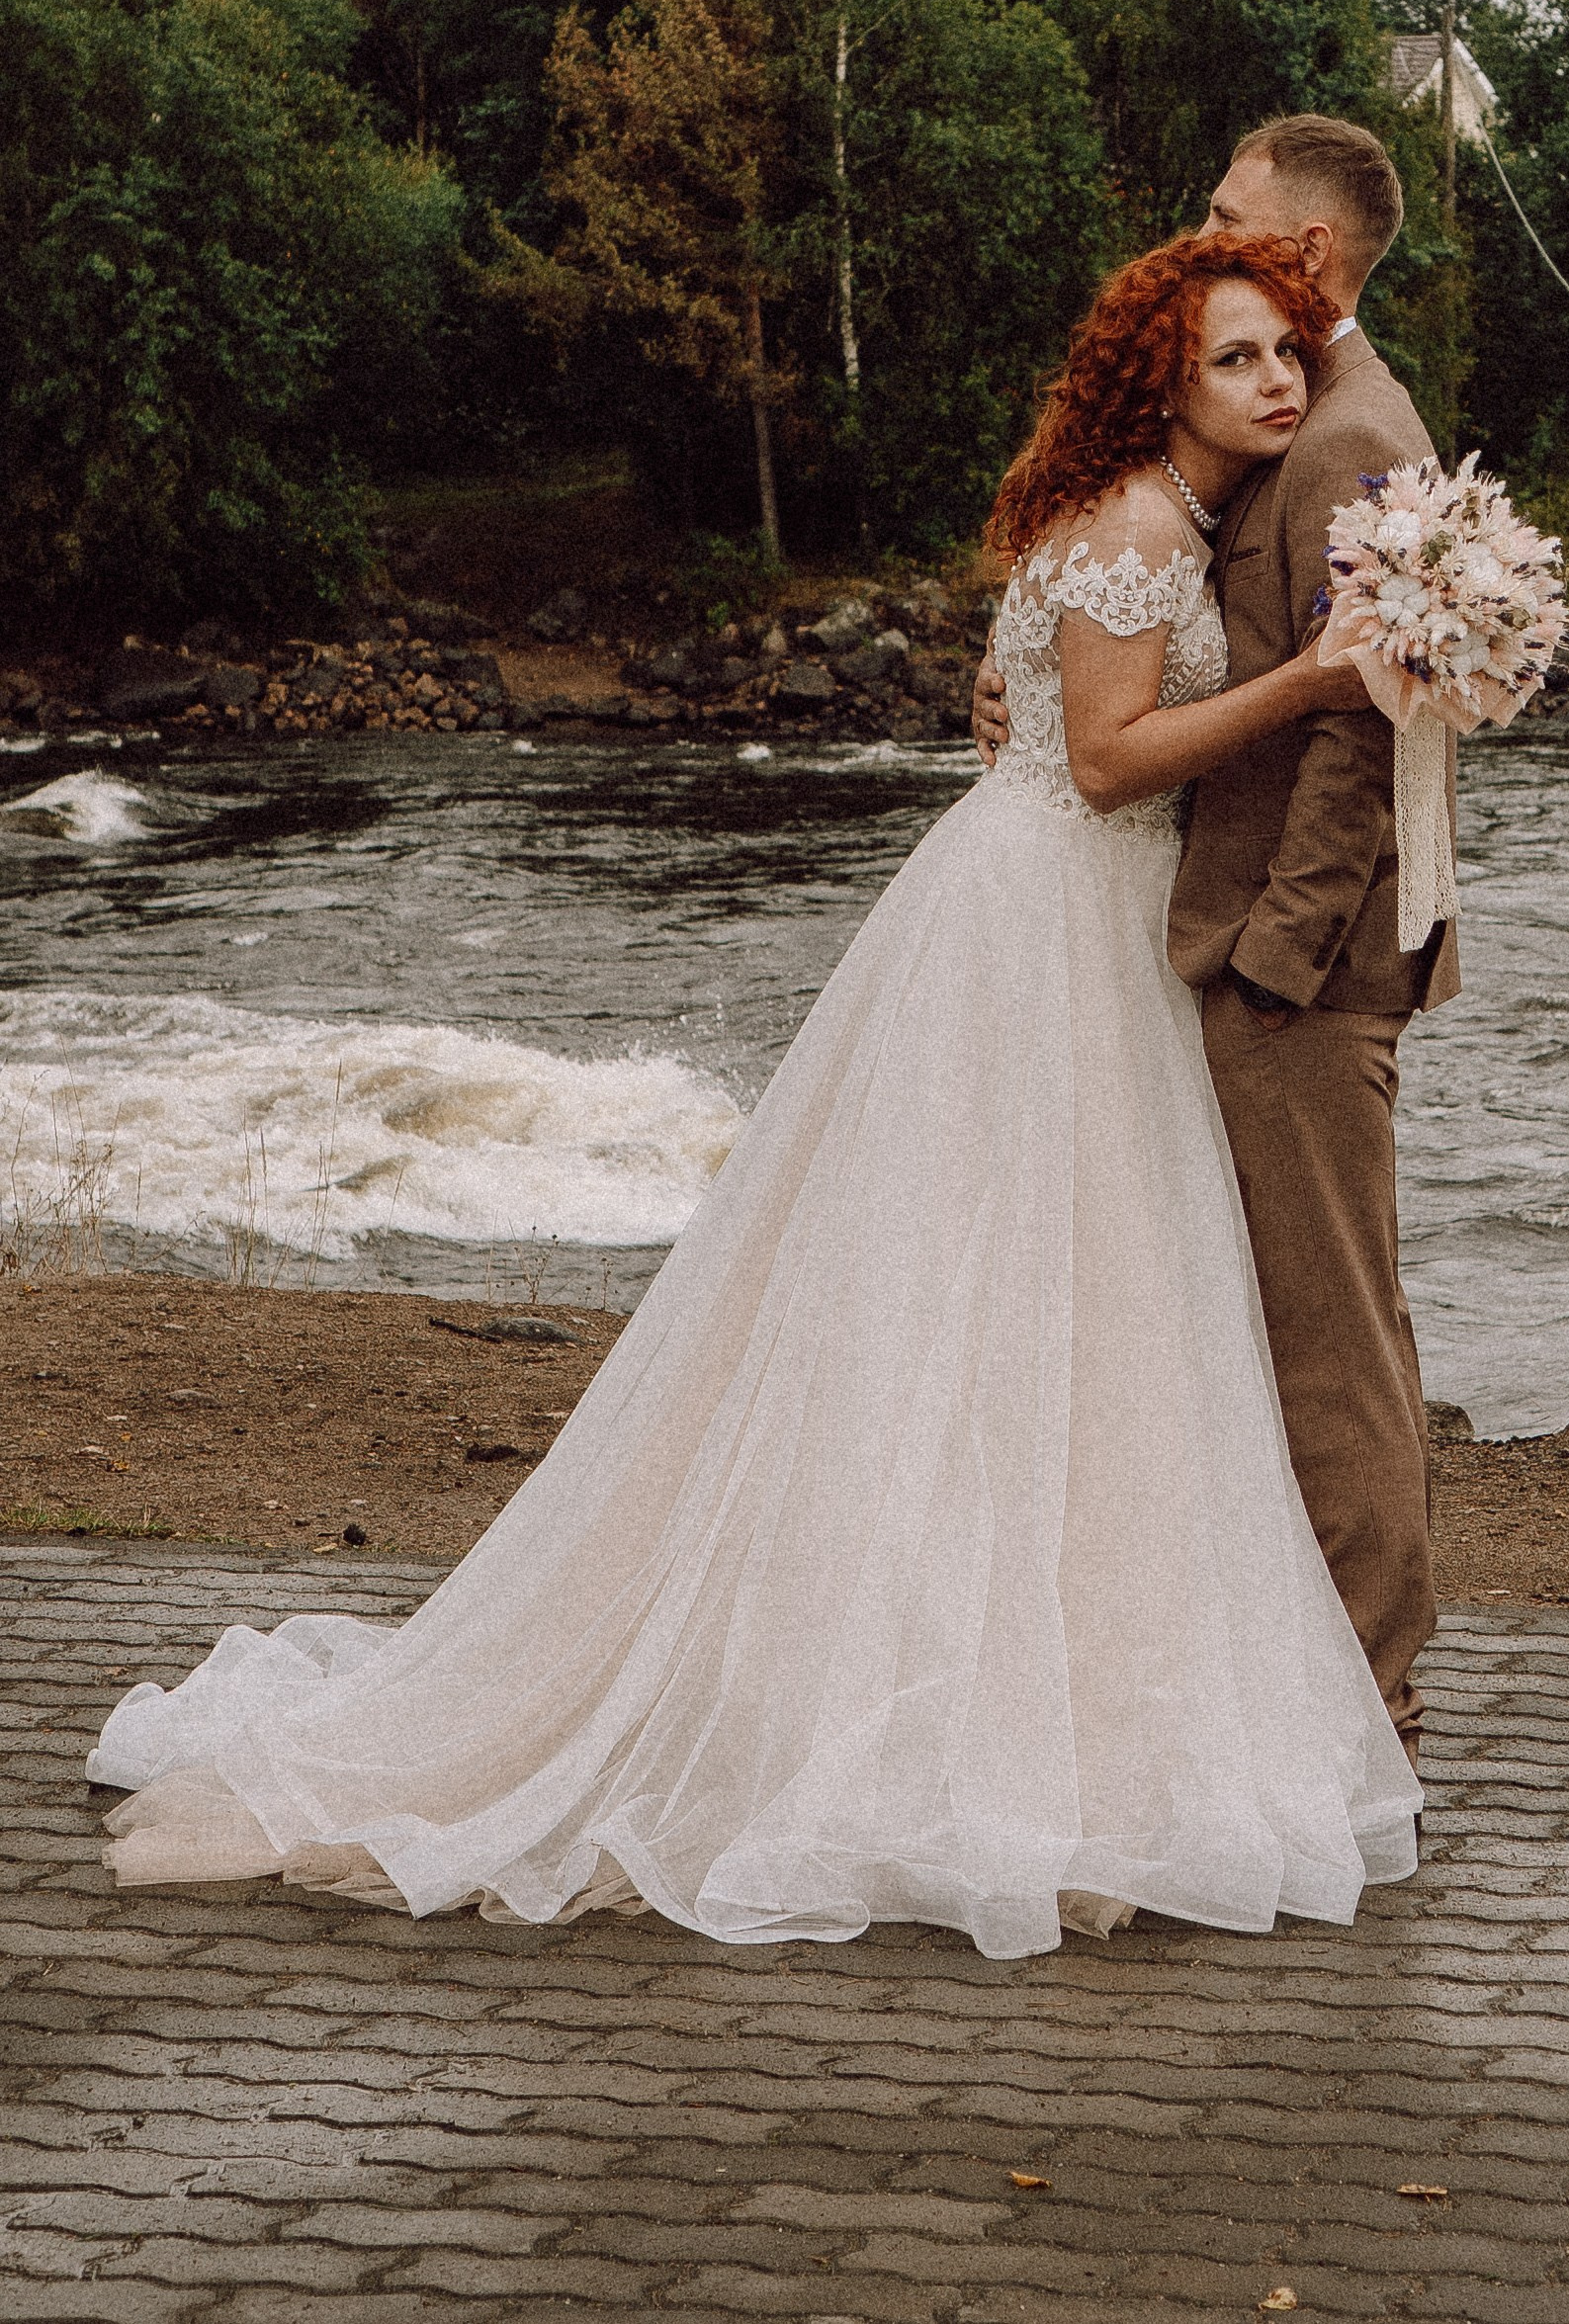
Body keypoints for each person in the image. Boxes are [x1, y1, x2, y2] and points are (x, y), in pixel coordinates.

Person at [87, 236, 1421, 1960]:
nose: (1277, 384)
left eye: (1284, 358)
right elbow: (1097, 761)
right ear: (1161, 380)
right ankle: (955, 1708)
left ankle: (1031, 1674)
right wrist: (1311, 684)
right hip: (1047, 926)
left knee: (1053, 1306)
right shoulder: (1147, 528)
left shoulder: (1145, 514)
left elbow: (1033, 721)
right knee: (1015, 1291)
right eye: (1238, 359)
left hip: (1044, 912)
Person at [976, 114, 1455, 1768]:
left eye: (1226, 209)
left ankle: (1371, 1688)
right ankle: (1311, 1665)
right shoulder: (1288, 421)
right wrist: (1029, 681)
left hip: (1291, 962)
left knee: (1331, 1335)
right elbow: (1148, 630)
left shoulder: (1345, 445)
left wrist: (1275, 960)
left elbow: (1368, 740)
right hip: (1199, 926)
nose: (1202, 226)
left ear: (1306, 256)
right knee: (1287, 1314)